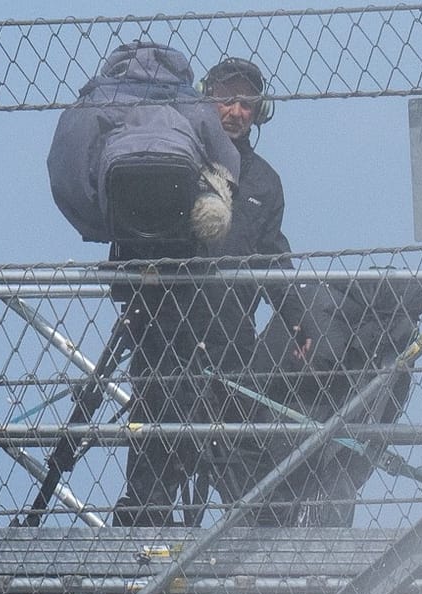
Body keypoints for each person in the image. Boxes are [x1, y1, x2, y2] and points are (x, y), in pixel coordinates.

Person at [112, 55, 295, 526]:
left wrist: (300, 323)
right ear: (204, 99)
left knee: (251, 493)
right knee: (151, 486)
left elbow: (275, 259)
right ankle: (141, 556)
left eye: (246, 103)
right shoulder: (175, 159)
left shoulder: (264, 182)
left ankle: (256, 560)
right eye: (226, 99)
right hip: (164, 345)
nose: (235, 111)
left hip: (232, 350)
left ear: (259, 111)